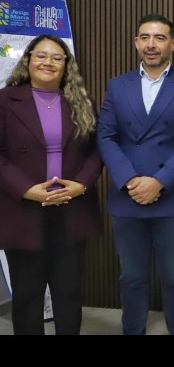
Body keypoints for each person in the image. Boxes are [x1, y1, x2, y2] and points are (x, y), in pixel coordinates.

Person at [97, 13, 174, 335]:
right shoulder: (117, 86)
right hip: (128, 196)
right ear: (136, 43)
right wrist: (131, 180)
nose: (151, 44)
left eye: (159, 38)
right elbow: (105, 136)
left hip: (172, 197)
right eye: (145, 37)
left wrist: (160, 181)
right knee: (131, 277)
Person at [0, 35, 103, 335]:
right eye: (41, 55)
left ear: (66, 65)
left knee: (69, 293)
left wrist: (81, 184)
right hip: (23, 210)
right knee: (27, 296)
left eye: (57, 58)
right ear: (28, 60)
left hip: (71, 209)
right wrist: (26, 190)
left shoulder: (81, 101)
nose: (48, 62)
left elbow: (97, 151)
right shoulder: (5, 101)